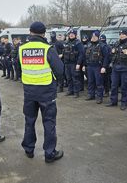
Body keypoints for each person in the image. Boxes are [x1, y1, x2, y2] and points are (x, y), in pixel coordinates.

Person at [19, 21, 64, 163]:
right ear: (44, 33)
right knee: (49, 122)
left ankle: (29, 149)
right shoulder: (48, 48)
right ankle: (49, 153)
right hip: (46, 92)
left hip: (29, 92)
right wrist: (56, 82)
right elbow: (60, 70)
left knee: (29, 121)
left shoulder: (22, 49)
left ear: (30, 32)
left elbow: (21, 67)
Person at [107, 30, 127, 110]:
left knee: (124, 86)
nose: (121, 36)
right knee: (114, 86)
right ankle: (113, 101)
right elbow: (112, 54)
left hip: (125, 68)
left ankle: (124, 103)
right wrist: (112, 52)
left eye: (123, 34)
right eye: (120, 34)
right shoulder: (116, 43)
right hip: (115, 68)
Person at [83, 30, 110, 104]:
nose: (93, 38)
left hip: (98, 67)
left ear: (98, 37)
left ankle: (99, 97)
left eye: (95, 36)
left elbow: (106, 57)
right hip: (90, 66)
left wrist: (104, 67)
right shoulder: (89, 45)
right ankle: (91, 95)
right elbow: (85, 56)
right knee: (90, 82)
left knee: (99, 83)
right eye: (92, 36)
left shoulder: (102, 46)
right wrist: (85, 65)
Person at [63, 29, 84, 98]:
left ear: (75, 35)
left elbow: (81, 54)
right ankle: (70, 90)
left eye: (72, 34)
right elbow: (64, 52)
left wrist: (78, 63)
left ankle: (76, 92)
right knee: (68, 78)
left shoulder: (78, 43)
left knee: (75, 78)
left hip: (74, 63)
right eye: (70, 34)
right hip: (67, 63)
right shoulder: (66, 42)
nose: (71, 35)